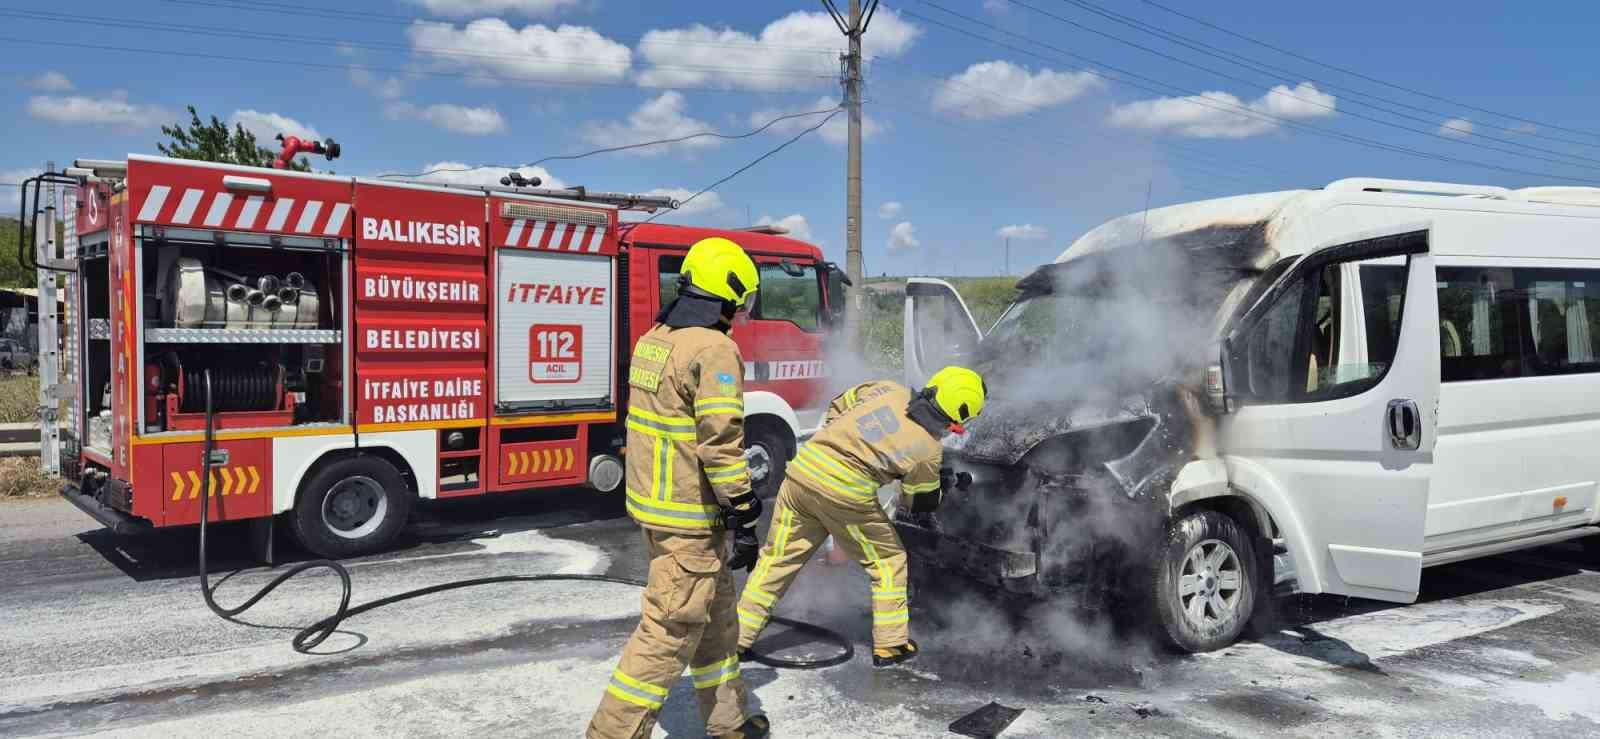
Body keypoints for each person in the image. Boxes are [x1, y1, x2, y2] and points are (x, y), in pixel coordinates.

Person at [587, 237, 769, 739]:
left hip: (657, 511)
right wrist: (745, 508)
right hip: (690, 520)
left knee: (716, 625)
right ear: (730, 293)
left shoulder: (656, 338)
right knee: (666, 634)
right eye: (744, 300)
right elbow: (720, 442)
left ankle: (727, 722)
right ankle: (610, 733)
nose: (743, 311)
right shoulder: (714, 349)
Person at [735, 367, 986, 668]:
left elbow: (840, 403)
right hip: (845, 496)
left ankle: (737, 639)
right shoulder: (928, 448)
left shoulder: (887, 389)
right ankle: (891, 645)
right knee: (888, 561)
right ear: (956, 420)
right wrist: (938, 484)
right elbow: (920, 502)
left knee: (777, 560)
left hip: (802, 475)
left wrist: (840, 443)